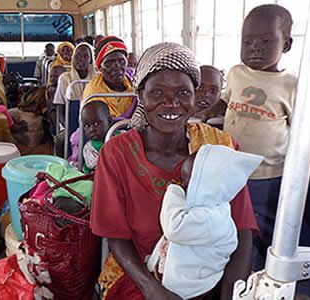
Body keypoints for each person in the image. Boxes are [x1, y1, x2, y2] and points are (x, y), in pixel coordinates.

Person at [92, 42, 258, 300]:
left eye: (183, 92)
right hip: (140, 277)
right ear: (141, 95)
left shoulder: (219, 147)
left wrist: (231, 294)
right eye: (157, 92)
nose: (171, 103)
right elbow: (115, 235)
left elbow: (242, 230)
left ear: (195, 96)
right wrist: (153, 290)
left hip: (211, 275)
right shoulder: (116, 154)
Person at [221, 4, 310, 296]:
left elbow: (301, 131)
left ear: (286, 44)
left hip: (270, 175)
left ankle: (272, 281)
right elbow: (224, 104)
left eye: (265, 41)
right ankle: (241, 280)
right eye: (247, 42)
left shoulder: (293, 86)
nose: (254, 48)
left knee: (269, 231)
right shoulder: (236, 74)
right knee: (238, 230)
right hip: (233, 174)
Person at [146, 145, 263, 299]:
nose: (183, 185)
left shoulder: (211, 218)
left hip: (189, 290)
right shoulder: (210, 208)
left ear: (209, 186)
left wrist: (174, 191)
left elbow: (173, 227)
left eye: (187, 181)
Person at [82, 36, 136, 119]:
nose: (117, 67)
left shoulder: (134, 81)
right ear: (100, 68)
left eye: (121, 61)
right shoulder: (93, 92)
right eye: (109, 63)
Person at [53, 42, 97, 126]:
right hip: (71, 121)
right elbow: (59, 106)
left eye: (85, 56)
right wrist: (67, 127)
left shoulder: (97, 79)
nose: (80, 59)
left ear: (91, 60)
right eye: (77, 56)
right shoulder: (65, 78)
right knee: (62, 139)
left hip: (93, 123)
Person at [80, 101, 112, 174]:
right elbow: (100, 167)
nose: (92, 129)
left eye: (96, 124)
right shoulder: (89, 148)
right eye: (87, 126)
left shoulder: (121, 137)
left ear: (109, 121)